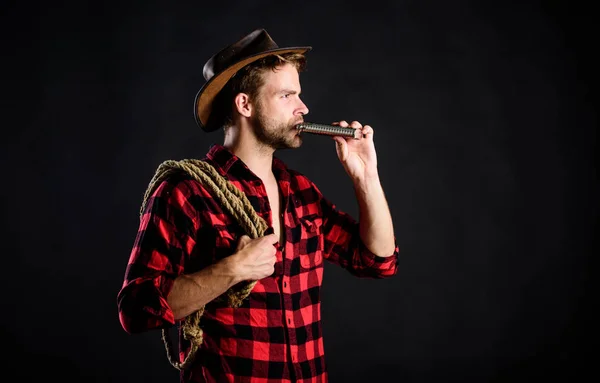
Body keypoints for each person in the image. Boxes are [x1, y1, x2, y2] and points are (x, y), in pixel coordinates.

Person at [117, 28, 399, 383]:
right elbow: (136, 309)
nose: (304, 108)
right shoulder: (186, 191)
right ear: (244, 104)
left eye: (299, 94)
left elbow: (377, 261)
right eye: (287, 95)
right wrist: (233, 269)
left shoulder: (300, 193)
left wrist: (366, 177)